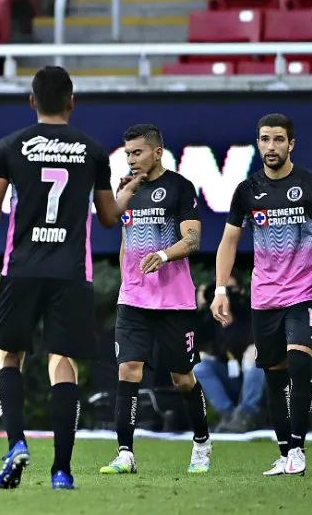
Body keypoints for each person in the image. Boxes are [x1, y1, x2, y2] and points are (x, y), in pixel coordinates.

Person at [0, 66, 141, 490]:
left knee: (7, 355)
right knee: (63, 363)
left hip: (22, 269)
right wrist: (127, 191)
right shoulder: (93, 151)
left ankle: (17, 443)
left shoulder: (10, 147)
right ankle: (62, 470)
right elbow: (110, 218)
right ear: (72, 102)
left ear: (32, 101)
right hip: (72, 273)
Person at [211, 113, 312, 476]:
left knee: (300, 363)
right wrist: (220, 288)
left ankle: (299, 451)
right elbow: (229, 240)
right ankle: (285, 450)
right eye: (264, 139)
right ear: (258, 143)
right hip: (265, 298)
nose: (270, 146)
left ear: (291, 144)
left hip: (305, 293)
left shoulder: (311, 185)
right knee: (274, 375)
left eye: (278, 139)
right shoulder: (247, 191)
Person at [99, 124, 212, 476]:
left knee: (182, 378)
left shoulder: (179, 188)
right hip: (133, 300)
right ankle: (125, 454)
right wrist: (126, 281)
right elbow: (124, 238)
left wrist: (163, 256)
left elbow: (192, 240)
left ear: (157, 152)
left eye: (137, 152)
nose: (131, 159)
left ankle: (202, 442)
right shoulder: (127, 191)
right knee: (128, 370)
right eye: (127, 153)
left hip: (174, 303)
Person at [195, 274, 265, 433]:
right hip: (229, 376)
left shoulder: (250, 312)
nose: (226, 295)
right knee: (199, 365)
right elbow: (193, 336)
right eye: (222, 290)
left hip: (253, 376)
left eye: (230, 290)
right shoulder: (211, 318)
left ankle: (246, 414)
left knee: (256, 356)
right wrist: (201, 307)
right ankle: (229, 414)